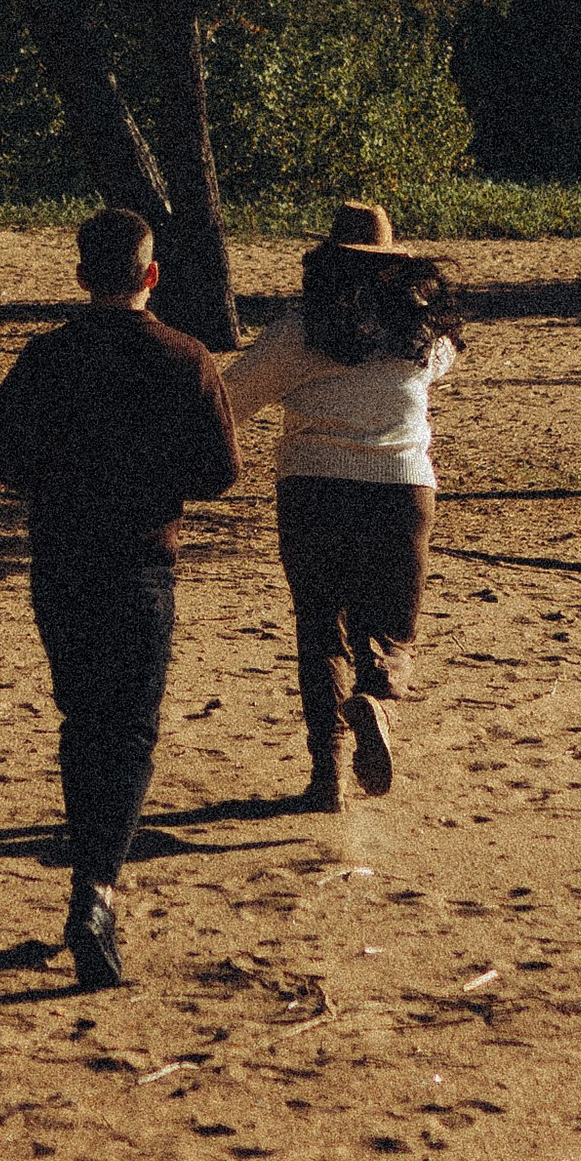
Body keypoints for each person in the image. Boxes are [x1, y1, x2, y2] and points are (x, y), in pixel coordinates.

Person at [0, 205, 239, 991]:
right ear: (150, 276)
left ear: (81, 274)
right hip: (139, 564)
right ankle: (96, 887)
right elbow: (220, 471)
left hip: (60, 559)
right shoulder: (184, 358)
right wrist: (155, 484)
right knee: (130, 730)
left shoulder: (47, 357)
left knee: (81, 718)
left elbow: (2, 448)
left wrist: (57, 483)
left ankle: (88, 875)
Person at [223, 200, 464, 810]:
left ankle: (326, 774)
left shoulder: (300, 332)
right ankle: (378, 698)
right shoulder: (423, 335)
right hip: (404, 488)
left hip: (314, 487)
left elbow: (231, 400)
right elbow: (441, 366)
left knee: (319, 627)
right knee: (393, 629)